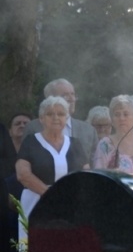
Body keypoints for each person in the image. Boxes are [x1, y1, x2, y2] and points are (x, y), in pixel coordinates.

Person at [16, 96, 89, 243]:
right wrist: (52, 196)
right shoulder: (31, 141)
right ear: (41, 118)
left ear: (66, 118)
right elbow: (23, 174)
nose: (56, 118)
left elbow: (86, 174)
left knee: (67, 250)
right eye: (50, 114)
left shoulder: (75, 144)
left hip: (69, 205)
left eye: (61, 114)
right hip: (36, 203)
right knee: (35, 251)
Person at [24, 79, 98, 156]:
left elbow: (95, 164)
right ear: (50, 99)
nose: (72, 99)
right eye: (65, 95)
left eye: (73, 94)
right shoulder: (33, 128)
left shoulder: (88, 130)